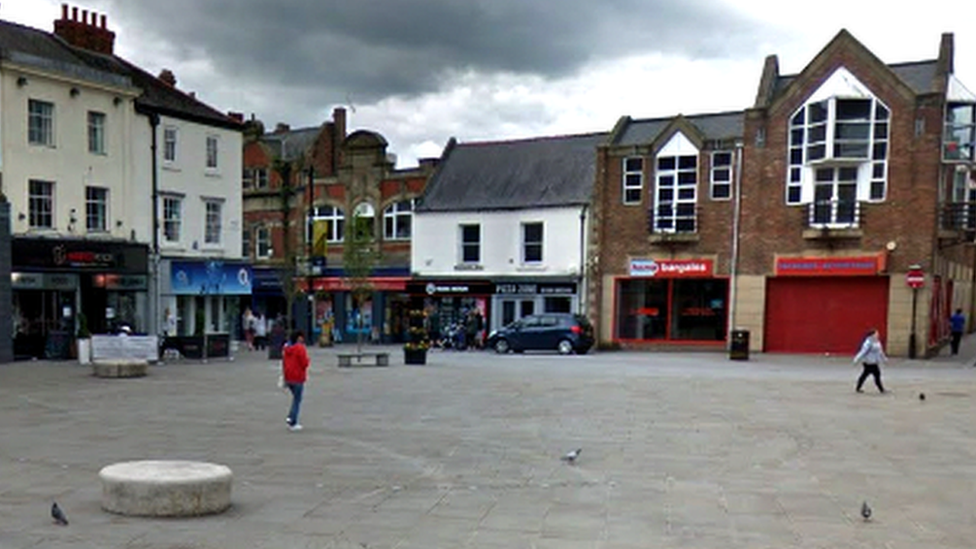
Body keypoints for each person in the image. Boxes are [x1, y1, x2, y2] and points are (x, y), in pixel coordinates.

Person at [282, 330, 310, 431]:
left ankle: (291, 417)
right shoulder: (300, 348)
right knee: (297, 400)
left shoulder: (286, 348)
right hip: (298, 377)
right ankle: (292, 420)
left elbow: (284, 363)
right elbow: (304, 363)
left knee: (295, 398)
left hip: (289, 376)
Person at [853, 328, 887, 394]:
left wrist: (884, 358)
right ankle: (881, 389)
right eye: (876, 333)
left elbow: (880, 351)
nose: (877, 335)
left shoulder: (877, 342)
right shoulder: (868, 342)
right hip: (869, 362)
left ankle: (858, 387)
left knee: (865, 374)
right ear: (872, 335)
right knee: (876, 374)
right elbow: (863, 351)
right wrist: (857, 358)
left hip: (874, 361)